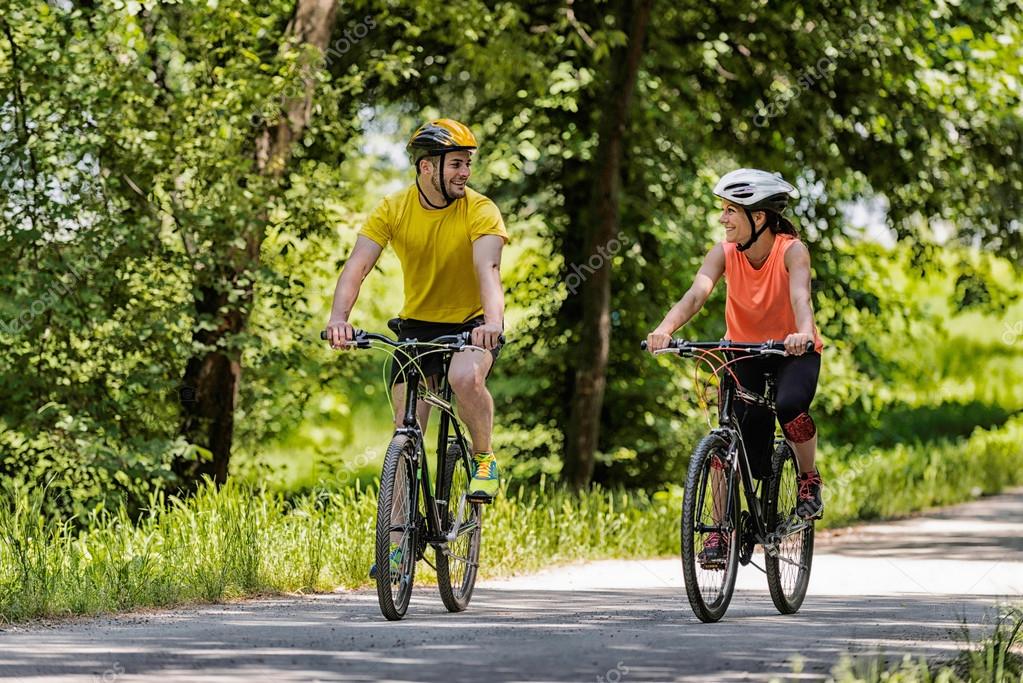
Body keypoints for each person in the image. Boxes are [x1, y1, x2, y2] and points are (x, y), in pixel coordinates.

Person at [325, 119, 508, 573]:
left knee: (464, 377)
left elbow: (489, 271)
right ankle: (395, 546)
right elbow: (357, 267)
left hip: (470, 326)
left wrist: (493, 324)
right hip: (416, 329)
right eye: (457, 164)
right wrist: (339, 320)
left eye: (469, 163)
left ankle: (483, 459)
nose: (466, 172)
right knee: (405, 435)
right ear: (428, 167)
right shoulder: (394, 208)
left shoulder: (480, 210)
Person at [646, 168, 824, 562]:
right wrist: (664, 329)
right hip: (742, 351)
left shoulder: (791, 251)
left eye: (731, 210)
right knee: (731, 439)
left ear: (758, 217)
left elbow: (801, 298)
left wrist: (803, 333)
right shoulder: (723, 252)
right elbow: (696, 295)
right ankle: (720, 532)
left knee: (791, 408)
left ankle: (809, 480)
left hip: (791, 351)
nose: (723, 218)